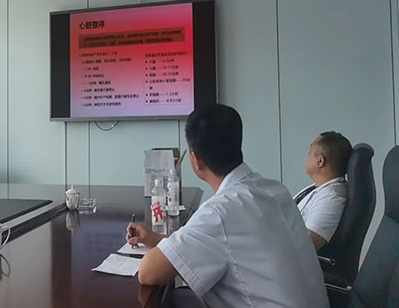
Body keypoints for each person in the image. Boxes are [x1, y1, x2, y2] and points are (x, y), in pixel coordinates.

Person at [126, 104, 328, 308]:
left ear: (195, 160)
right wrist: (157, 239)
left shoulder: (220, 211)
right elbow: (223, 241)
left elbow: (148, 272)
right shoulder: (275, 190)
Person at [295, 131, 352, 251]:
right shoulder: (319, 188)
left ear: (320, 161)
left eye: (310, 152)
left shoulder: (332, 198)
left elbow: (306, 247)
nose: (307, 156)